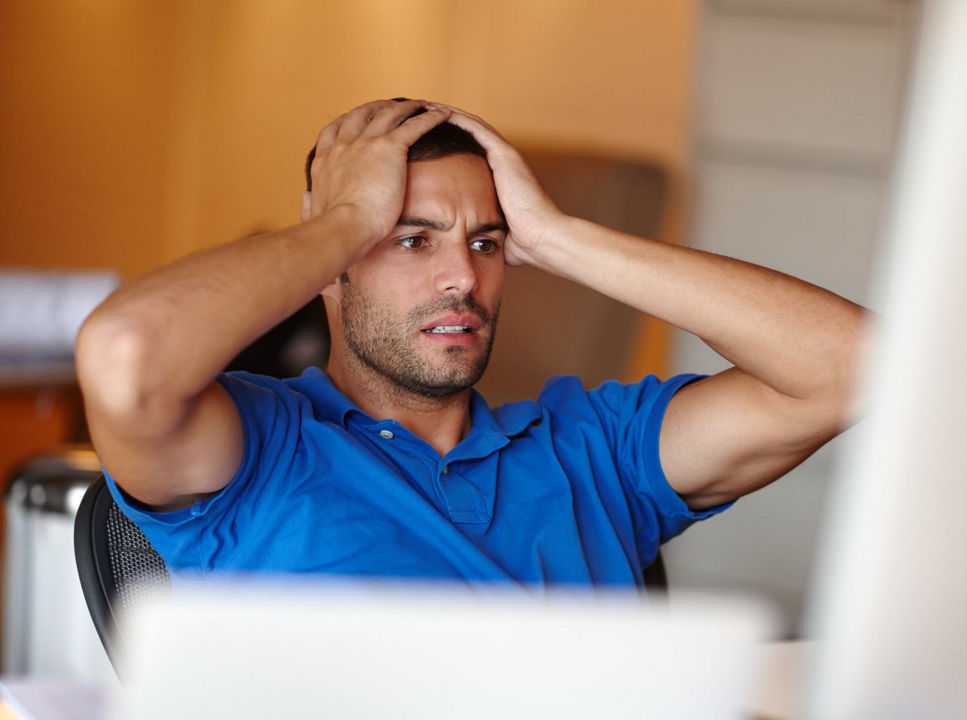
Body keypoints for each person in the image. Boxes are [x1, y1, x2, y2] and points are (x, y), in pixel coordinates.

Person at [76, 99, 867, 589]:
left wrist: (562, 239)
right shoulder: (257, 449)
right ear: (330, 269)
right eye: (412, 242)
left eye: (488, 244)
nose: (462, 277)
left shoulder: (595, 450)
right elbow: (124, 358)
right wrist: (347, 222)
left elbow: (853, 368)